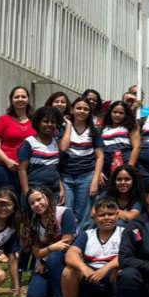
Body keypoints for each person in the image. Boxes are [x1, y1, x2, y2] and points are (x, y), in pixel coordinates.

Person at [52, 197, 125, 297]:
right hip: (90, 279)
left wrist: (107, 268)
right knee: (69, 271)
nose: (106, 218)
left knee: (123, 270)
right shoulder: (87, 234)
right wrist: (84, 268)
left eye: (110, 214)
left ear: (117, 215)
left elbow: (129, 255)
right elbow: (70, 254)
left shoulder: (124, 232)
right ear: (95, 217)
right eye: (101, 215)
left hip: (112, 282)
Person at [23, 187, 77, 297]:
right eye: (32, 203)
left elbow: (65, 243)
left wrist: (44, 258)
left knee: (53, 259)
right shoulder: (33, 223)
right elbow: (37, 253)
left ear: (47, 197)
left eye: (39, 199)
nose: (36, 204)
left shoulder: (65, 213)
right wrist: (51, 249)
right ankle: (60, 289)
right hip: (44, 263)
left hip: (65, 259)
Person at [59, 97, 105, 231]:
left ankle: (82, 243)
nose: (82, 111)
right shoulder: (63, 129)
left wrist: (95, 181)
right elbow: (63, 148)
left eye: (86, 109)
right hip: (66, 176)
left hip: (86, 176)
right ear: (72, 110)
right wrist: (68, 125)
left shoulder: (93, 131)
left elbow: (100, 156)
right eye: (79, 108)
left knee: (84, 213)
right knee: (67, 210)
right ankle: (68, 240)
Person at [0, 86, 35, 194]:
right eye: (17, 97)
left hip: (28, 169)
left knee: (25, 202)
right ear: (11, 100)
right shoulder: (3, 120)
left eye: (23, 97)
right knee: (7, 201)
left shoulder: (35, 120)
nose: (20, 99)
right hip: (5, 168)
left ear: (28, 99)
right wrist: (7, 161)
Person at [18, 106, 63, 202]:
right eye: (46, 121)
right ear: (38, 123)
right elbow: (22, 170)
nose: (50, 124)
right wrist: (27, 193)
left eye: (53, 122)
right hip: (34, 192)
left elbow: (55, 168)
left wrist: (61, 189)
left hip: (53, 192)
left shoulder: (56, 142)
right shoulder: (29, 143)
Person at [101, 101, 140, 187]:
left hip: (125, 165)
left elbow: (137, 147)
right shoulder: (104, 127)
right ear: (110, 112)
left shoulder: (131, 125)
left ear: (126, 114)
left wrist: (129, 169)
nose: (117, 115)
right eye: (115, 112)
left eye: (121, 113)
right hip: (107, 169)